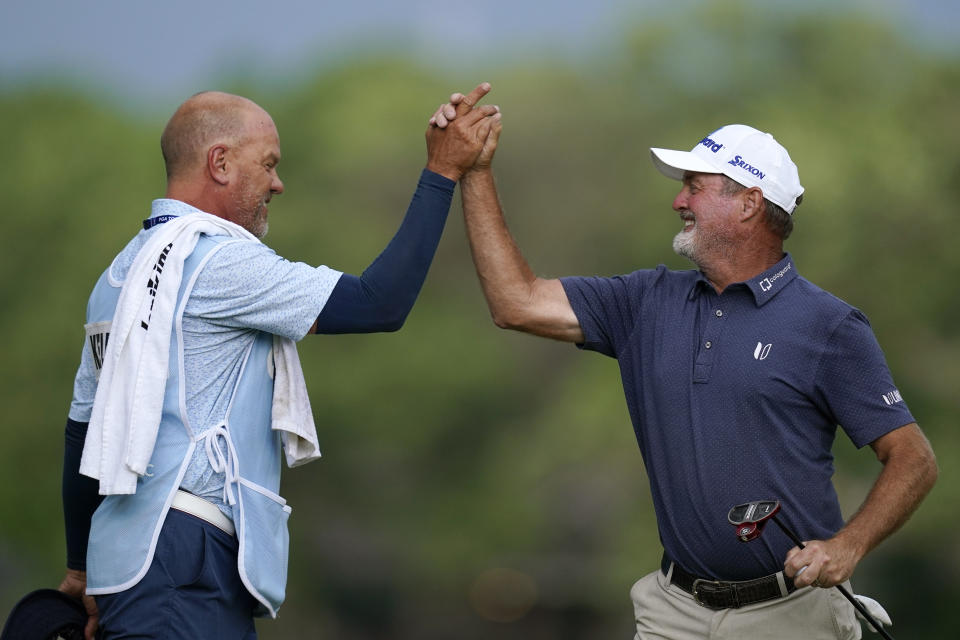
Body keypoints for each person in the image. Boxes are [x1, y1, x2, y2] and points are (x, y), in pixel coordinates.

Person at [431, 100, 938, 638]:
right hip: (672, 610)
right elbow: (516, 303)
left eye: (695, 186)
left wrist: (848, 545)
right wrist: (476, 174)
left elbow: (913, 458)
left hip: (791, 614)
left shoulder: (828, 325)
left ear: (748, 203)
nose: (678, 200)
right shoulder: (644, 300)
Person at [57, 84, 501, 640]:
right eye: (268, 164)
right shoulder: (218, 261)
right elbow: (379, 303)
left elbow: (81, 435)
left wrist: (81, 569)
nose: (277, 182)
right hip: (184, 560)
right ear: (220, 162)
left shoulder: (117, 276)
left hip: (129, 563)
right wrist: (441, 173)